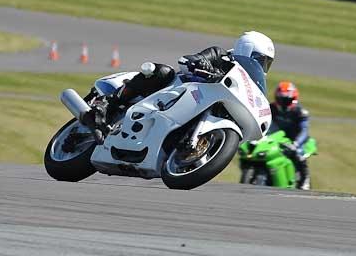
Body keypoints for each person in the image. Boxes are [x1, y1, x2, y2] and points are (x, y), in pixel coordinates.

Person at [82, 31, 275, 143]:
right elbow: (190, 60)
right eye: (262, 60)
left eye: (266, 63)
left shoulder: (247, 81)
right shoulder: (222, 56)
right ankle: (106, 106)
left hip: (197, 106)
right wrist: (201, 64)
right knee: (162, 71)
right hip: (175, 90)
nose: (262, 66)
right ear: (247, 49)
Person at [270, 80, 311, 190]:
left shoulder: (300, 112)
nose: (283, 103)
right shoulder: (271, 108)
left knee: (299, 153)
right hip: (275, 138)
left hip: (295, 140)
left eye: (286, 100)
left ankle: (305, 179)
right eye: (281, 100)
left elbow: (304, 130)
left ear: (294, 99)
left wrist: (296, 143)